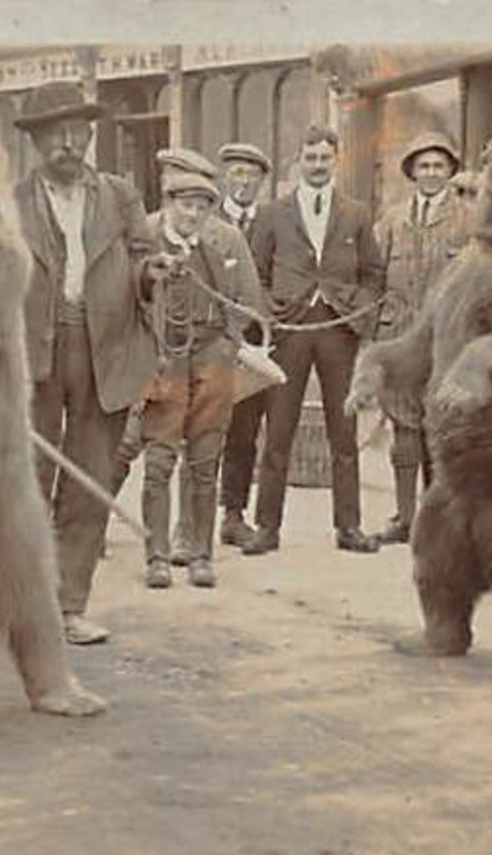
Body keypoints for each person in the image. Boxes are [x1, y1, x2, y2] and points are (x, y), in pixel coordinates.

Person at [12, 82, 156, 645]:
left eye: (77, 134)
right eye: (56, 135)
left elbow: (143, 258)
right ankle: (24, 606)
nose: (68, 145)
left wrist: (153, 273)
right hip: (34, 353)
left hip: (107, 351)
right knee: (30, 480)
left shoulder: (120, 196)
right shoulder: (11, 202)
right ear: (36, 142)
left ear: (89, 138)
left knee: (90, 480)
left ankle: (69, 606)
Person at [244, 125, 385, 557]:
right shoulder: (273, 214)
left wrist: (358, 312)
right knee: (280, 430)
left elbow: (373, 274)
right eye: (310, 158)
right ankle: (267, 527)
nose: (318, 165)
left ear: (336, 159)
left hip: (339, 330)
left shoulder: (357, 214)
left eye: (325, 158)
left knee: (343, 433)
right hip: (290, 330)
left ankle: (349, 527)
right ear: (298, 161)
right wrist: (272, 313)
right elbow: (255, 275)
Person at [135, 149, 264, 590]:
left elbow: (246, 300)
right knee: (158, 459)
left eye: (201, 207)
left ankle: (200, 555)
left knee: (206, 458)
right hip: (164, 358)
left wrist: (228, 342)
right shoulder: (148, 241)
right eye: (184, 205)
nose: (192, 214)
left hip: (211, 354)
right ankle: (155, 556)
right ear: (169, 203)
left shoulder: (220, 245)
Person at [372, 129, 471, 544]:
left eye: (439, 166)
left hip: (448, 339)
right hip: (400, 335)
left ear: (450, 170)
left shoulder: (469, 218)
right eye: (423, 166)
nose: (431, 173)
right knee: (403, 427)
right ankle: (405, 517)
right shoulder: (392, 220)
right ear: (411, 171)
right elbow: (375, 278)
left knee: (445, 429)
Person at [213, 141, 275, 549]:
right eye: (237, 173)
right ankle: (188, 521)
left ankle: (234, 515)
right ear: (224, 178)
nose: (244, 182)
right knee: (193, 430)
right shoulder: (206, 220)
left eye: (252, 175)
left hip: (254, 346)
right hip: (209, 342)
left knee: (244, 433)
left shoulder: (272, 223)